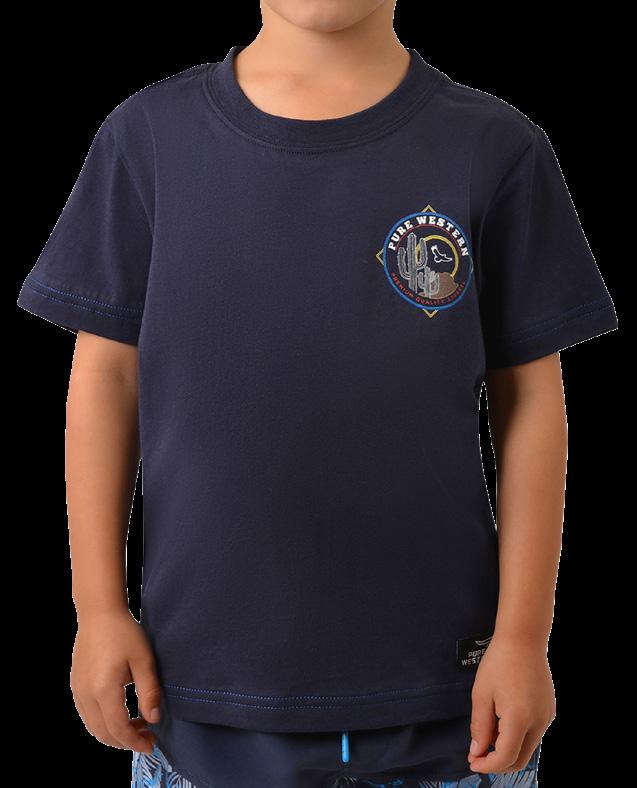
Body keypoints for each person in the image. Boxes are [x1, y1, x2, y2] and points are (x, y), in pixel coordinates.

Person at [16, 2, 618, 787]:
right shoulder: (148, 138)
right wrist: (98, 610)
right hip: (194, 709)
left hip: (452, 714)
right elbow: (105, 377)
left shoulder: (495, 146)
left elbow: (530, 401)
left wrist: (522, 637)